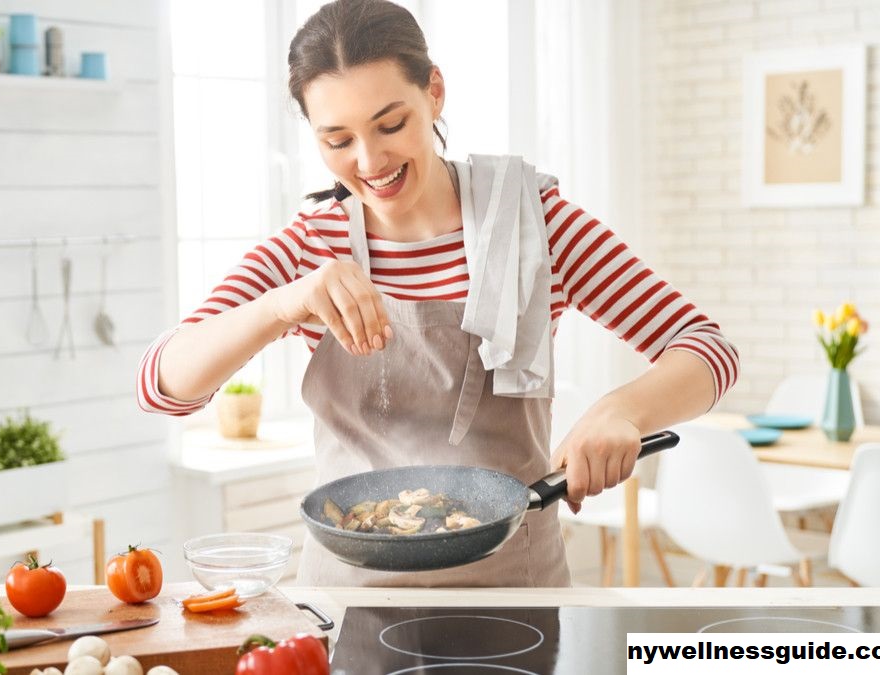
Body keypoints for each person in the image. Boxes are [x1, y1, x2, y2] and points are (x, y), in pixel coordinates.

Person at [138, 0, 738, 587]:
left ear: (435, 92)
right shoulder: (310, 247)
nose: (370, 161)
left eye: (390, 124)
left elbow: (709, 350)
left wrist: (622, 410)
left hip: (512, 590)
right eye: (337, 139)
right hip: (349, 598)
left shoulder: (533, 225)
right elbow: (161, 386)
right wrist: (282, 304)